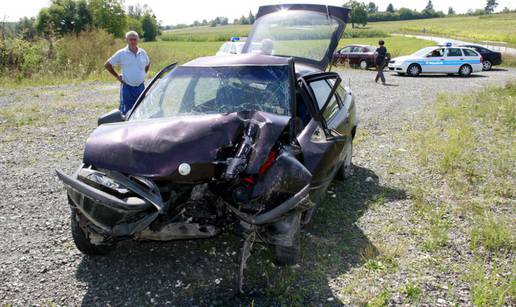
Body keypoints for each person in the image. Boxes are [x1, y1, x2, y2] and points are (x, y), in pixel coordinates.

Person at [105, 31, 150, 115]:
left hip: (141, 87)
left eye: (135, 39)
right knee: (127, 112)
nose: (133, 41)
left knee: (141, 108)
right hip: (127, 87)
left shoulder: (142, 52)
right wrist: (117, 76)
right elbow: (107, 65)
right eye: (131, 39)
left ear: (138, 40)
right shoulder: (121, 53)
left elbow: (148, 63)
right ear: (126, 40)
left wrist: (144, 74)